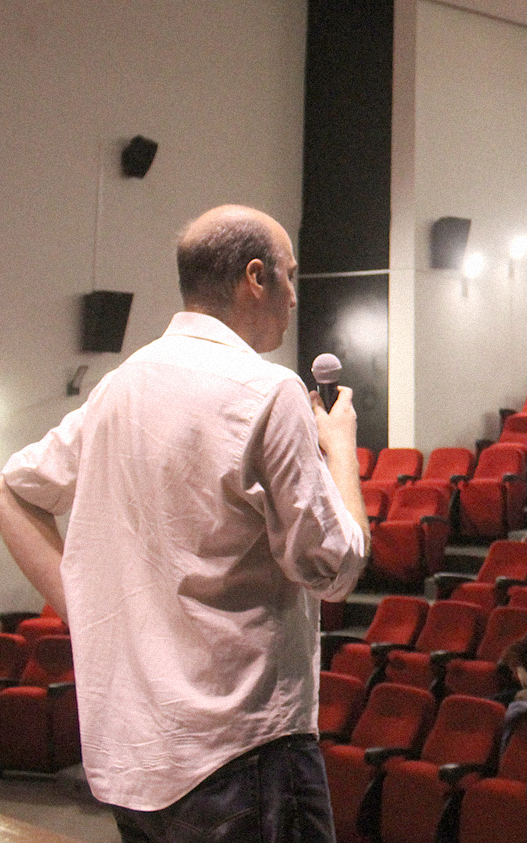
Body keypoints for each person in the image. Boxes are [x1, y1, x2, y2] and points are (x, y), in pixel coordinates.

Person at [0, 205, 370, 839]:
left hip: (139, 760)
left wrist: (81, 606)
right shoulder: (269, 389)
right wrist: (340, 447)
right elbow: (334, 567)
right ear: (255, 277)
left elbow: (13, 489)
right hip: (244, 754)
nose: (292, 296)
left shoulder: (119, 387)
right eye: (288, 275)